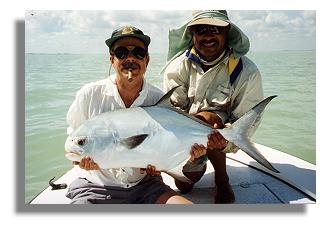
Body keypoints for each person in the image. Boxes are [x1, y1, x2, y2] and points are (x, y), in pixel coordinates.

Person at [65, 25, 203, 204]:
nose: (130, 58)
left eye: (138, 52)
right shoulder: (89, 95)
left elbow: (165, 142)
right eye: (121, 52)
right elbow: (73, 144)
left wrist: (164, 162)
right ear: (111, 59)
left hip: (145, 185)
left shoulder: (158, 98)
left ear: (147, 59)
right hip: (96, 186)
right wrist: (79, 161)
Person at [163, 10, 264, 203]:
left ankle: (221, 177)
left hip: (220, 135)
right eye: (201, 30)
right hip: (185, 139)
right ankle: (196, 165)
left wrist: (226, 142)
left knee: (207, 118)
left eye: (216, 29)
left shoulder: (246, 72)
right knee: (184, 185)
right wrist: (188, 149)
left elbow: (246, 122)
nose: (208, 35)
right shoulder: (176, 68)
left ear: (227, 33)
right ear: (192, 34)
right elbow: (171, 115)